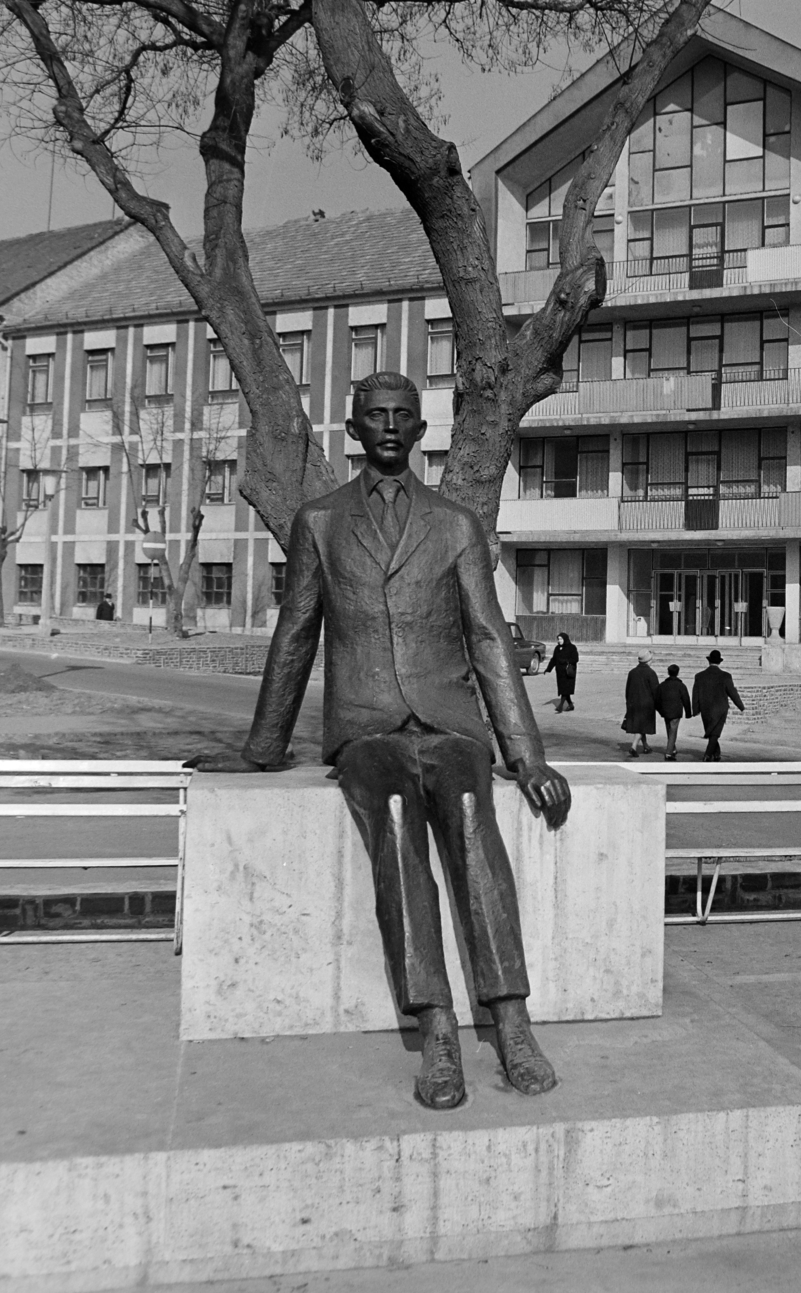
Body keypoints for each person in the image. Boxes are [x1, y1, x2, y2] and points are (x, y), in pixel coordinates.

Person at [189, 372, 571, 1112]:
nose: (390, 426)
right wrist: (261, 747)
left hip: (447, 720)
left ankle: (510, 1015)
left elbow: (489, 638)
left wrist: (526, 755)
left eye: (403, 416)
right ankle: (435, 1024)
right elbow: (296, 634)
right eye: (376, 416)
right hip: (366, 727)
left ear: (421, 431)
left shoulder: (455, 523)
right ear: (354, 429)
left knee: (467, 809)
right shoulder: (320, 522)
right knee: (395, 821)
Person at [692, 649, 745, 762]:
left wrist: (695, 709)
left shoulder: (699, 676)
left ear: (709, 661)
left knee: (711, 731)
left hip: (705, 708)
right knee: (715, 733)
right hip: (721, 708)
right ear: (719, 662)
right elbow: (732, 692)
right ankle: (708, 754)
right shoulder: (725, 676)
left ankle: (716, 753)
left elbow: (695, 694)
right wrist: (740, 706)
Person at [622, 652, 660, 755]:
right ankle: (633, 747)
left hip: (633, 703)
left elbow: (627, 689)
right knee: (641, 726)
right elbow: (656, 691)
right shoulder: (651, 673)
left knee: (640, 725)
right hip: (646, 704)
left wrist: (628, 703)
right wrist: (658, 705)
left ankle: (646, 746)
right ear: (648, 660)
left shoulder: (632, 672)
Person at [656, 663, 691, 761]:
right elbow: (686, 699)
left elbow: (657, 699)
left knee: (669, 730)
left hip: (665, 711)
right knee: (673, 731)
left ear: (668, 672)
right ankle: (668, 753)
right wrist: (688, 712)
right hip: (676, 711)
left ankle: (673, 748)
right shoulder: (681, 685)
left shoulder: (662, 685)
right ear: (678, 673)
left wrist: (660, 711)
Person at [549, 632, 579, 712]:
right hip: (560, 673)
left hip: (568, 673)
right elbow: (554, 659)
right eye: (558, 639)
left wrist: (566, 661)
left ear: (565, 639)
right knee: (564, 690)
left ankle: (560, 706)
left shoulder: (572, 648)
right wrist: (548, 668)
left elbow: (575, 659)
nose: (559, 641)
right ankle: (571, 705)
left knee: (565, 689)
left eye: (561, 639)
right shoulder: (557, 648)